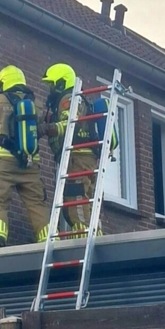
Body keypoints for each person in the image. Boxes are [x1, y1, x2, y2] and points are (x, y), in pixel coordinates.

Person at [0, 65, 50, 247]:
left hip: (3, 164)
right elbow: (43, 128)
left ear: (3, 83)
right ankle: (48, 239)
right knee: (37, 203)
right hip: (30, 164)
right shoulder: (37, 105)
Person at [39, 63, 100, 237]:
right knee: (78, 204)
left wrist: (48, 128)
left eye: (52, 85)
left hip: (78, 158)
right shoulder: (74, 99)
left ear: (61, 83)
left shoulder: (68, 99)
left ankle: (83, 238)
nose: (50, 90)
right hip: (82, 158)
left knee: (76, 200)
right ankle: (90, 237)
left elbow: (70, 123)